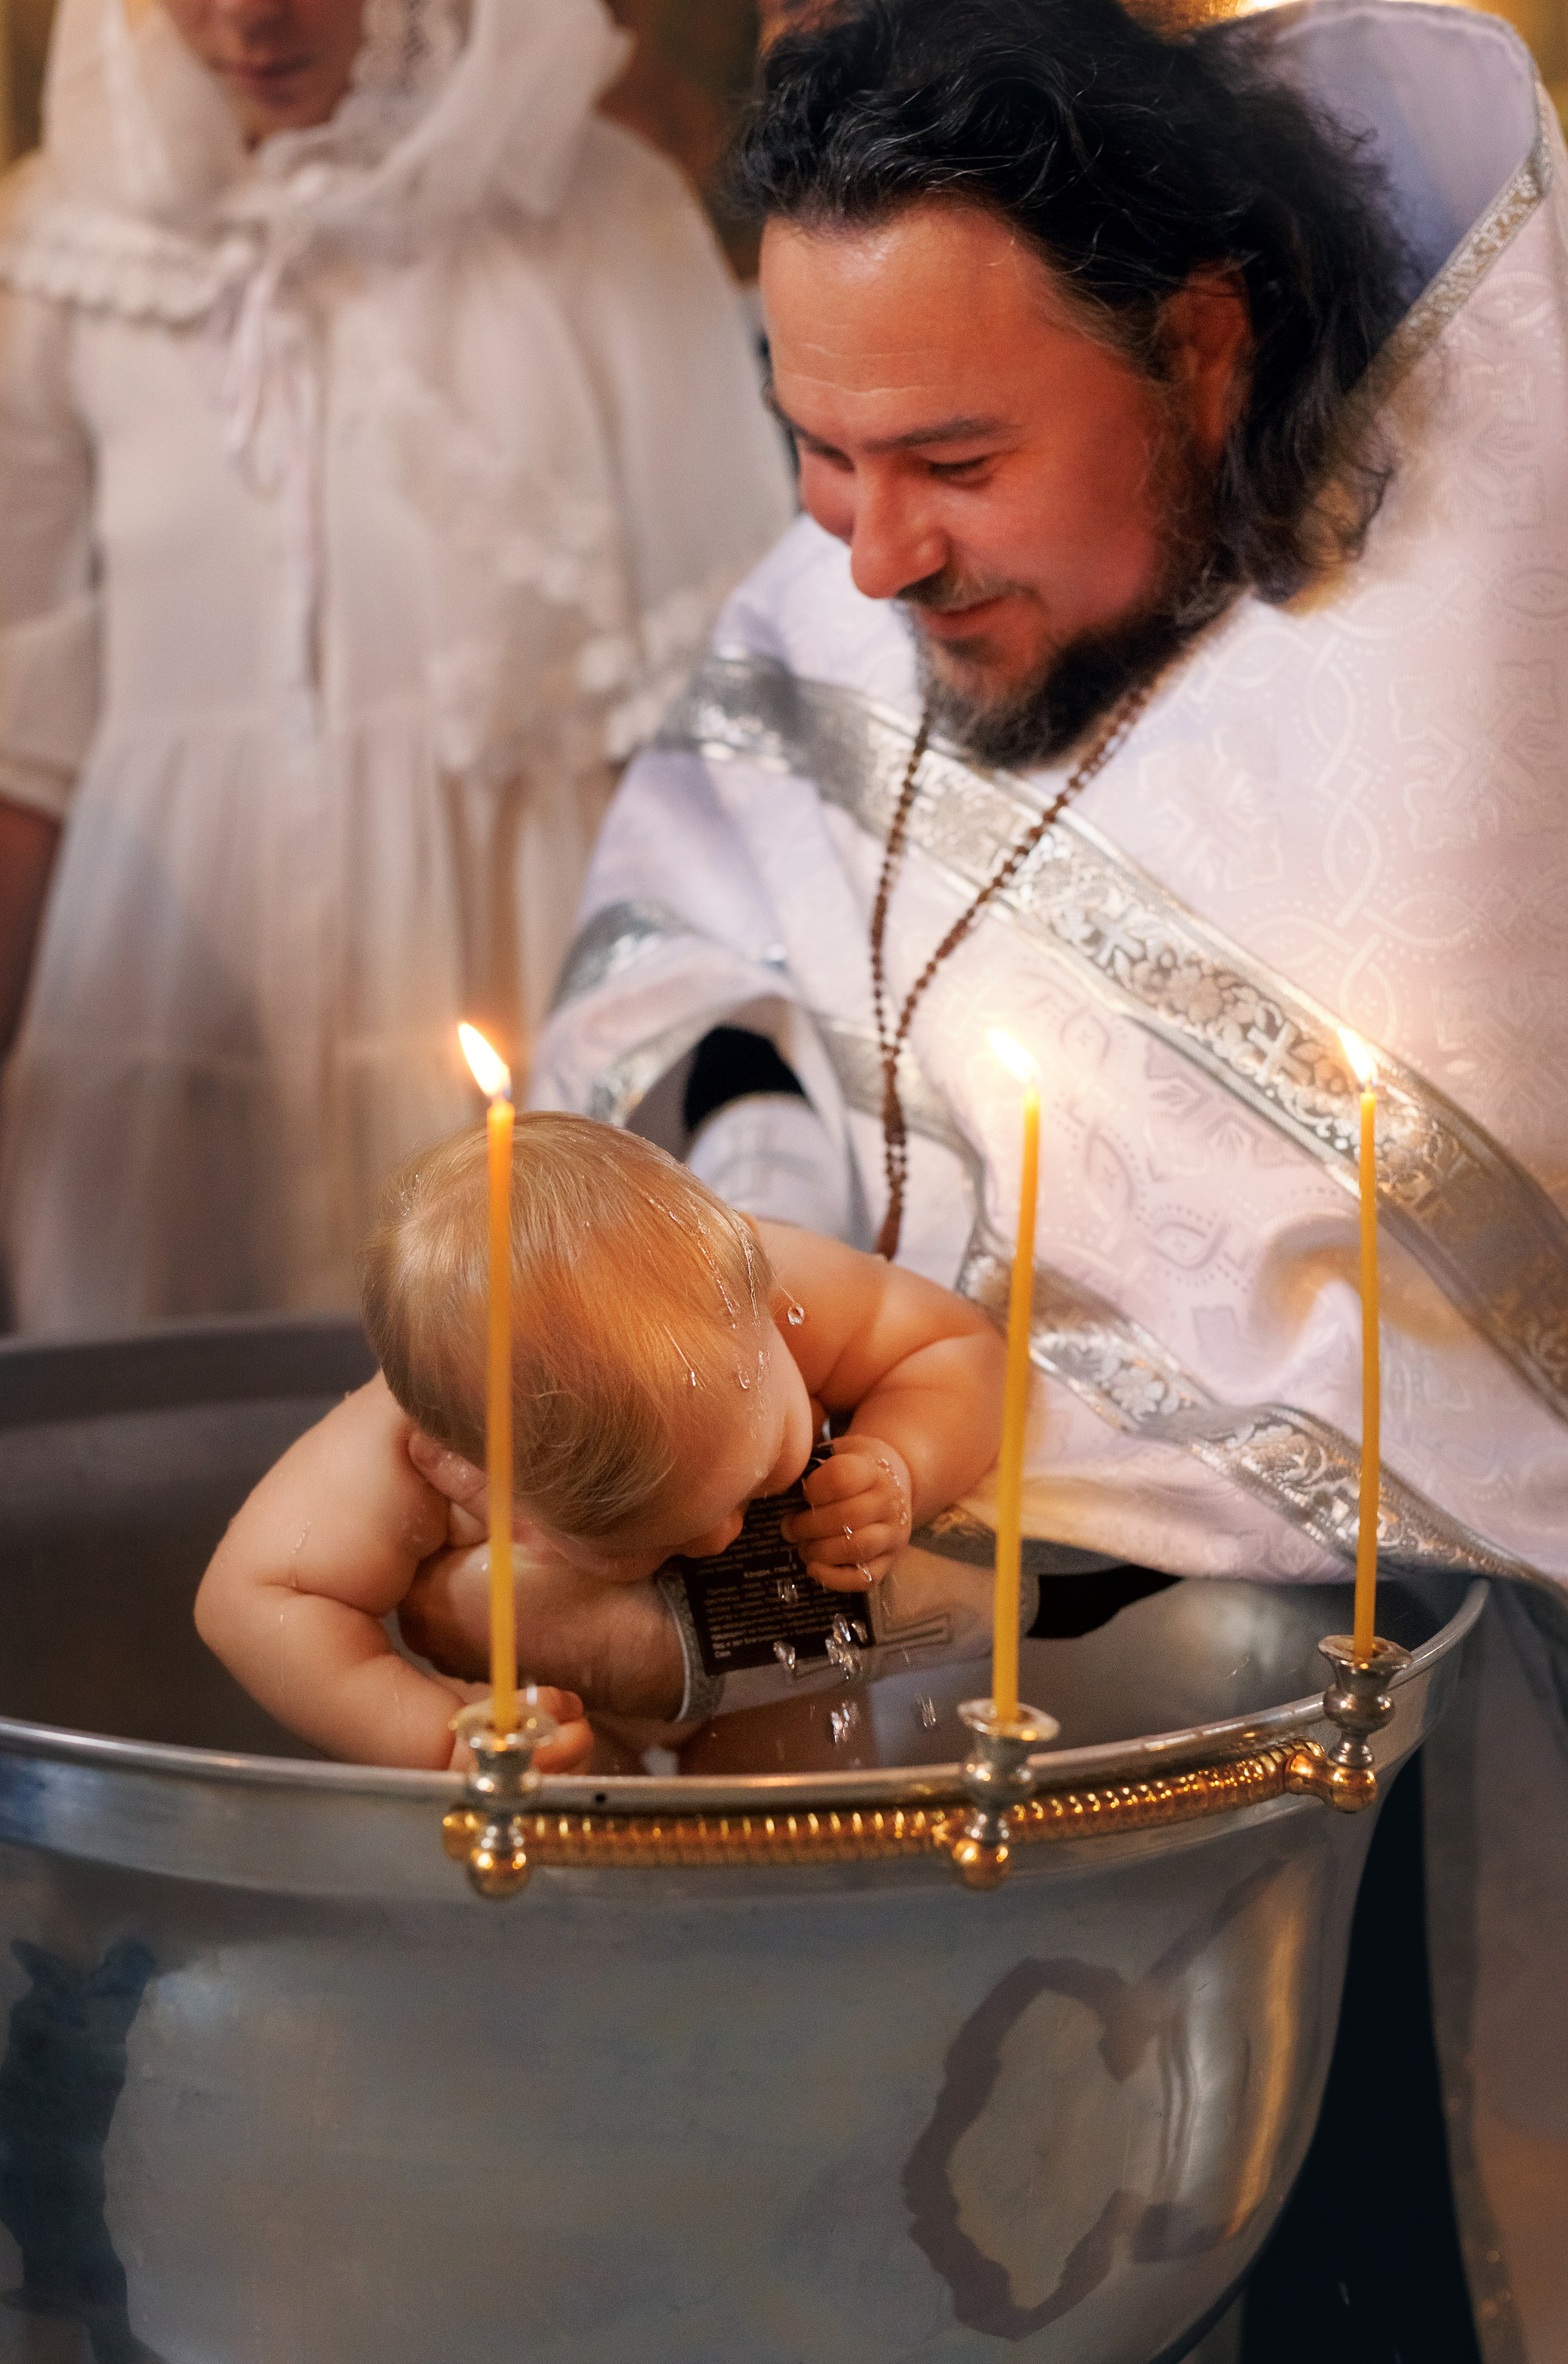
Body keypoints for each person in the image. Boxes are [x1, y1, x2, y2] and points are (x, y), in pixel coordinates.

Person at [401, 0, 1568, 2347]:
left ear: (1209, 355)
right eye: (813, 450)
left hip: (1388, 1741)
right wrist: (709, 1233)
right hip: (865, 1647)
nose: (863, 559)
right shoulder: (847, 593)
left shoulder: (1489, 651)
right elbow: (684, 969)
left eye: (947, 457)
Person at [0, 0, 793, 1332]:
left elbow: (713, 725)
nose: (246, 19)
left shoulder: (598, 216)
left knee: (519, 1426)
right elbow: (20, 730)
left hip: (507, 957)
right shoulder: (57, 250)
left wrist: (750, 1119)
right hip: (167, 988)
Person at [195, 1111, 1005, 1764]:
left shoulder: (767, 1281)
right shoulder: (399, 1447)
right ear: (465, 1471)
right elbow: (253, 1602)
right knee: (574, 1850)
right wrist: (438, 1739)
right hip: (576, 1706)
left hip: (777, 1661)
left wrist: (902, 1461)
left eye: (765, 1468)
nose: (722, 1537)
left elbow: (957, 1347)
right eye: (641, 1539)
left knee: (805, 1826)